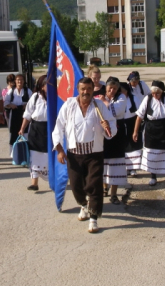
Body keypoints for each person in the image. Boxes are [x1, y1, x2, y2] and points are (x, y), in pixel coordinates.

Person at [52, 77, 117, 233]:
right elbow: (58, 127)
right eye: (82, 89)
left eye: (88, 89)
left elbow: (112, 127)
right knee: (76, 185)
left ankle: (94, 218)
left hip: (94, 153)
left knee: (94, 185)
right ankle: (83, 204)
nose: (85, 92)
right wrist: (60, 149)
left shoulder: (99, 105)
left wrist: (107, 127)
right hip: (74, 153)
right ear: (78, 89)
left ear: (92, 89)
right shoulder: (69, 105)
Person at [133, 80, 165, 187]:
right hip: (152, 130)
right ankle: (153, 177)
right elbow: (139, 117)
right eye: (153, 93)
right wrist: (135, 132)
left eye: (157, 93)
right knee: (153, 154)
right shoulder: (147, 99)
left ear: (162, 92)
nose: (155, 95)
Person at [99, 77, 127, 205]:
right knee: (104, 161)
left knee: (116, 162)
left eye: (115, 88)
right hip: (103, 133)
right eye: (110, 87)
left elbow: (115, 112)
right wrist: (103, 102)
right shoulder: (99, 97)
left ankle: (114, 194)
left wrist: (105, 102)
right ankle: (104, 187)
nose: (112, 90)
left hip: (118, 133)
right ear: (106, 87)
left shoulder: (121, 98)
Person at [18, 75, 48, 191]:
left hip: (49, 129)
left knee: (47, 156)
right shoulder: (35, 97)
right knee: (35, 156)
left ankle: (53, 180)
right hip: (36, 130)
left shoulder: (55, 97)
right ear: (42, 86)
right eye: (47, 85)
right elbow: (27, 114)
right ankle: (34, 183)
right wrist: (22, 128)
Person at [4, 73, 33, 153]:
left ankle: (25, 153)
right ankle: (14, 154)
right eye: (18, 80)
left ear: (24, 81)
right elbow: (5, 102)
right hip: (14, 114)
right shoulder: (11, 91)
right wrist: (11, 105)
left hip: (24, 114)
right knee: (13, 133)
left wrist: (26, 105)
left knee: (26, 132)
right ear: (15, 81)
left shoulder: (28, 91)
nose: (19, 81)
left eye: (21, 80)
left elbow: (33, 102)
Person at [120, 82, 143, 177]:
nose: (122, 93)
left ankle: (133, 168)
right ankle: (125, 168)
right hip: (121, 124)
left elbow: (140, 113)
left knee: (134, 146)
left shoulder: (134, 99)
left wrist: (136, 130)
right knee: (123, 147)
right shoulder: (116, 99)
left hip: (133, 124)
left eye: (124, 91)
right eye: (120, 91)